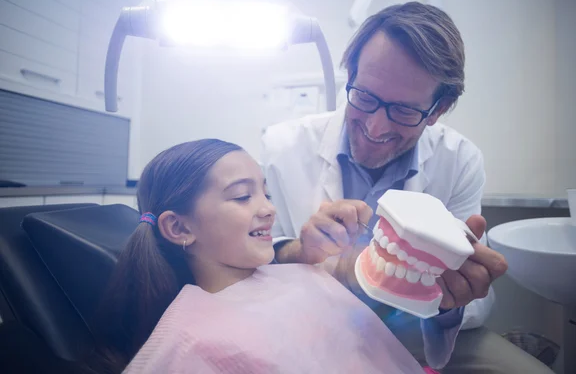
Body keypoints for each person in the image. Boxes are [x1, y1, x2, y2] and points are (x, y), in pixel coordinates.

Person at [261, 2, 553, 373]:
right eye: (364, 97)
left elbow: (475, 301)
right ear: (350, 75)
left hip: (415, 329)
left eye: (403, 111)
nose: (376, 127)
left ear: (437, 110)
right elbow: (251, 259)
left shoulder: (460, 160)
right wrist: (300, 251)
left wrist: (451, 301)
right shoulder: (283, 147)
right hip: (310, 323)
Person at [87, 139, 433, 374]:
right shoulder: (193, 340)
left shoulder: (303, 274)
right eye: (242, 196)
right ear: (179, 228)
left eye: (265, 192)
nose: (268, 209)